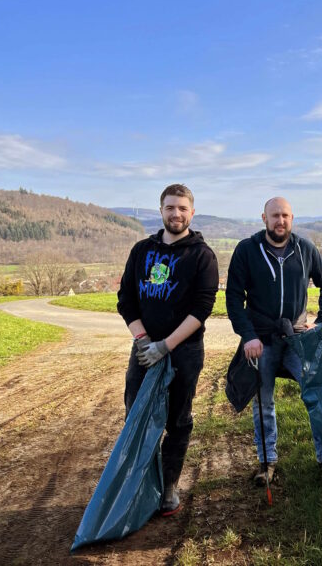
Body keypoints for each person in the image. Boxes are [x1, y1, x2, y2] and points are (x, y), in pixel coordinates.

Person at [117, 183, 219, 516]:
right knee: (137, 416)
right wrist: (143, 340)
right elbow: (126, 301)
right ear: (161, 211)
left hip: (184, 351)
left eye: (182, 208)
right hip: (144, 350)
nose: (176, 214)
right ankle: (139, 484)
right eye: (170, 208)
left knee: (178, 420)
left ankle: (169, 487)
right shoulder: (141, 251)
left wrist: (166, 345)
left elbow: (202, 308)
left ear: (192, 212)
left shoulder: (202, 256)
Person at [226, 197, 322, 485]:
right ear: (264, 218)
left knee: (316, 393)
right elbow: (234, 299)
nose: (280, 221)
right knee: (263, 403)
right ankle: (267, 462)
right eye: (275, 215)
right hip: (261, 340)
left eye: (285, 215)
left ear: (292, 218)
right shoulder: (247, 251)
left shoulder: (304, 249)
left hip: (297, 338)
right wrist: (248, 336)